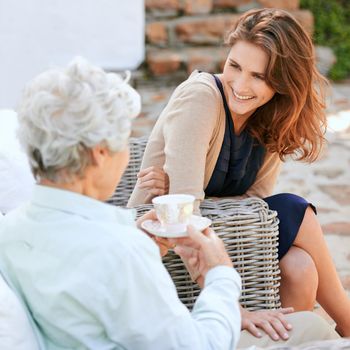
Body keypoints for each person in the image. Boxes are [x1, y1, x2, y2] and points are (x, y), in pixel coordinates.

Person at [128, 8, 350, 339]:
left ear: (283, 83)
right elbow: (183, 221)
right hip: (168, 251)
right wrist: (233, 306)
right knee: (294, 210)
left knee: (300, 267)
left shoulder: (273, 114)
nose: (241, 85)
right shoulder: (201, 98)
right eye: (234, 66)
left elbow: (253, 208)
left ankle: (298, 341)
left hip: (229, 240)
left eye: (259, 77)